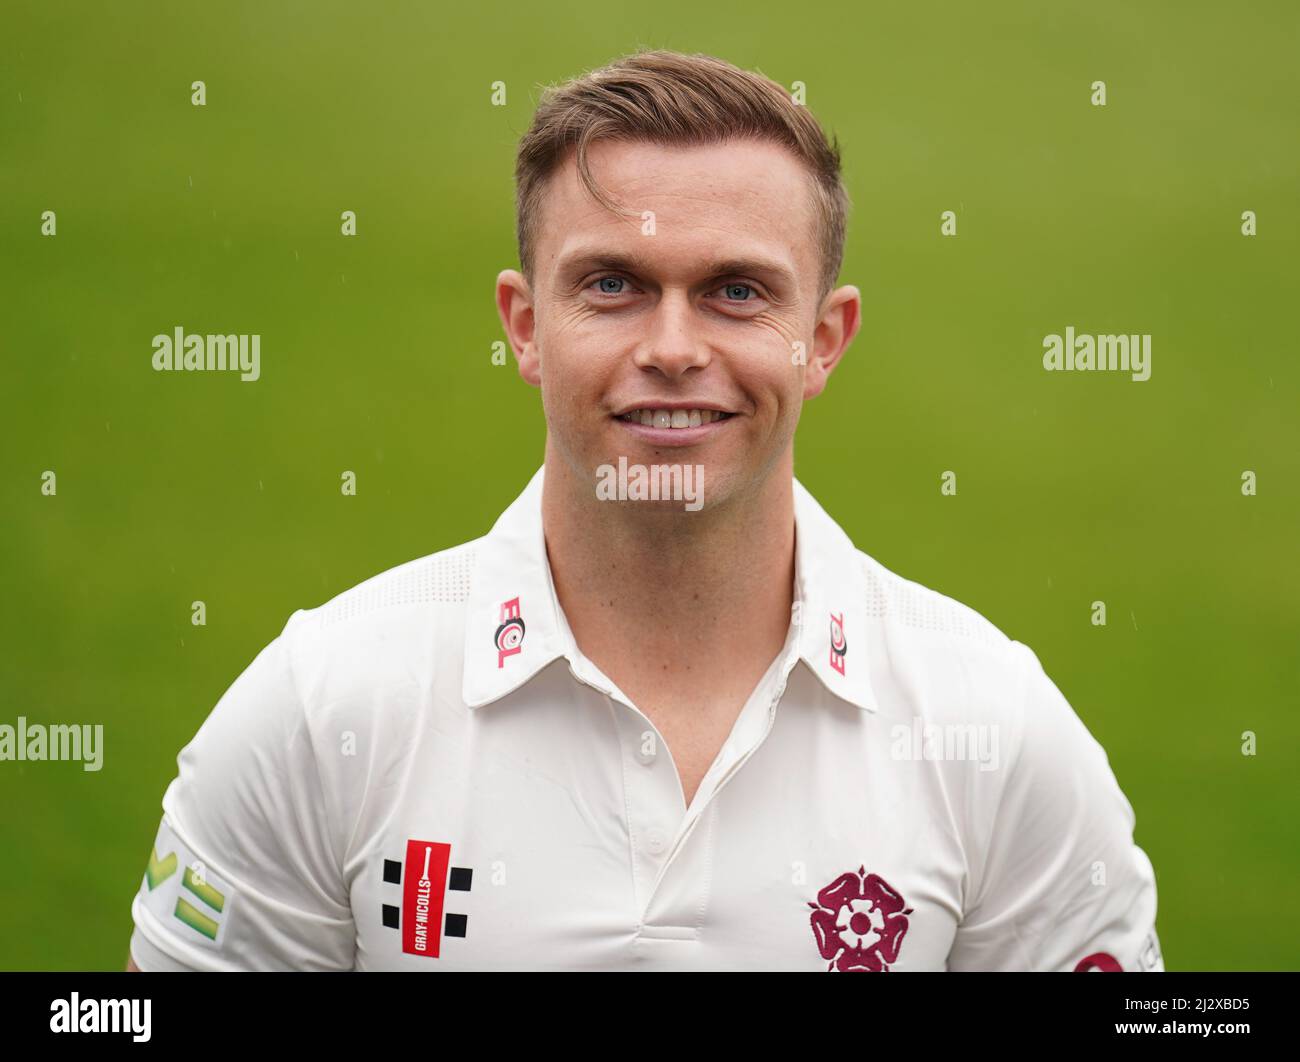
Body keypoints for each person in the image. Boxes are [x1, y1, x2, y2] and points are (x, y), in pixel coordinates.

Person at [127, 49, 1161, 972]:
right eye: (614, 284)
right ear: (525, 326)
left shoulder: (991, 728)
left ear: (825, 340)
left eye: (738, 292)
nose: (672, 347)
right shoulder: (322, 710)